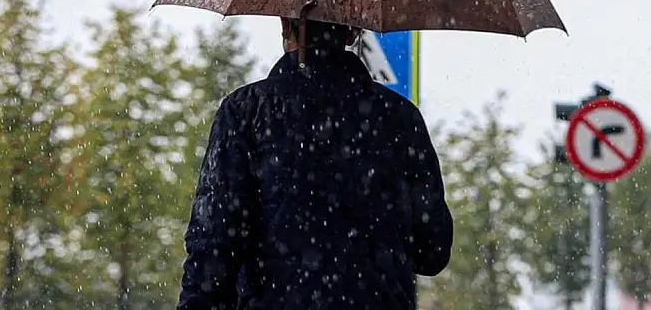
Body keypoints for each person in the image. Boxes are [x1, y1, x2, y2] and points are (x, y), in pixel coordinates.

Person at [177, 17, 453, 310]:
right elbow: (432, 251)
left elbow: (214, 244)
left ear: (286, 26)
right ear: (353, 32)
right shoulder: (400, 118)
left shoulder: (247, 111)